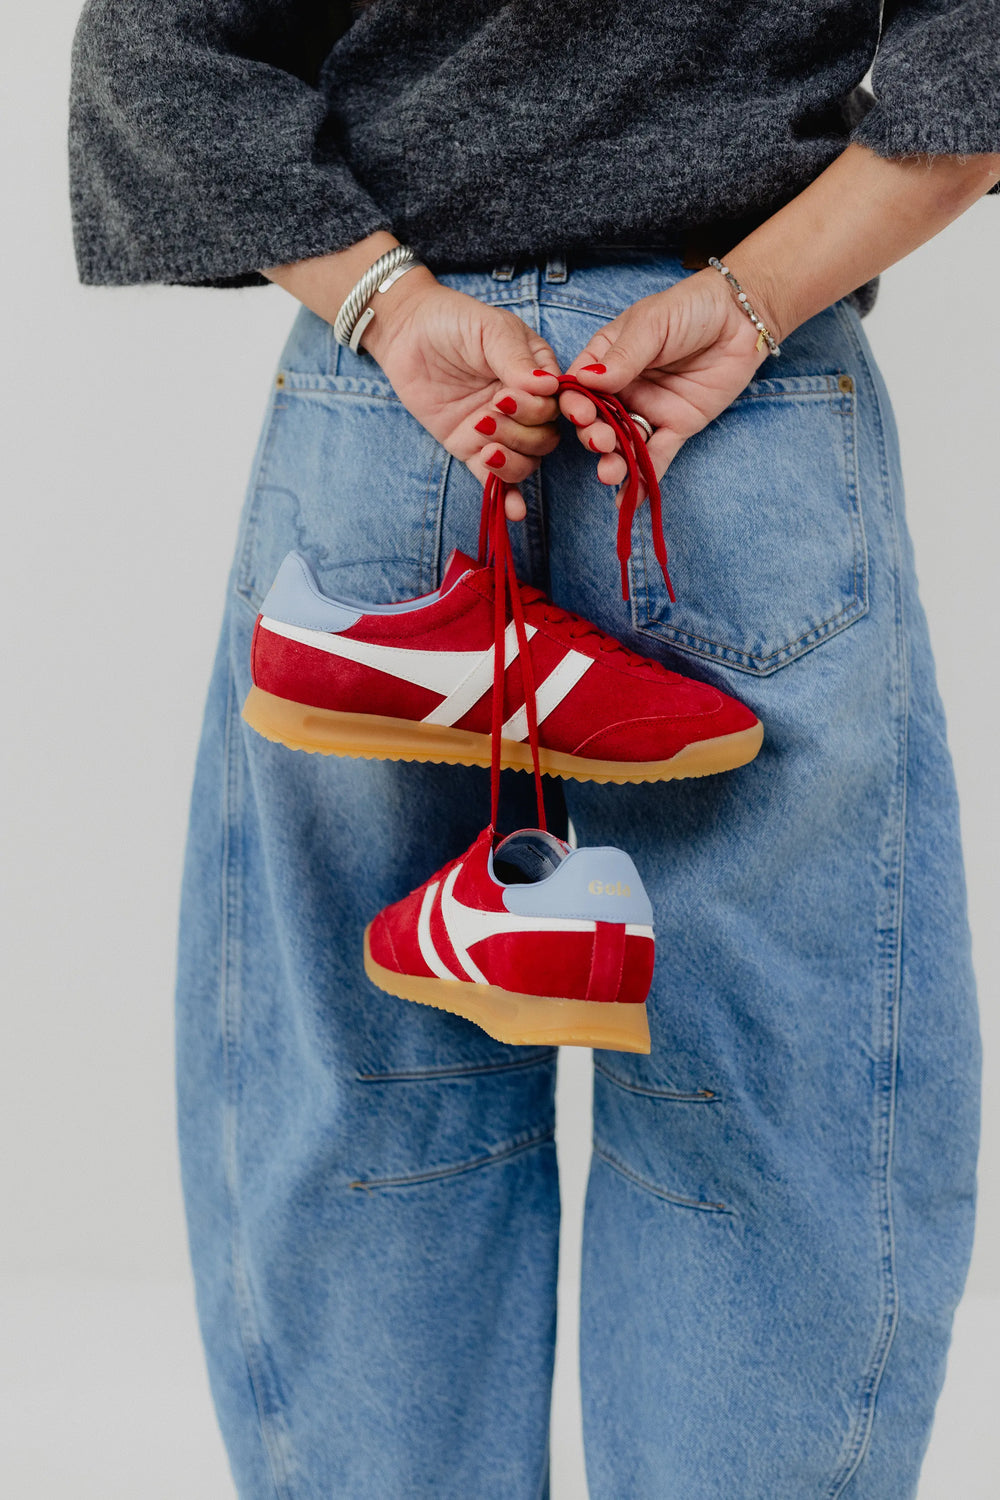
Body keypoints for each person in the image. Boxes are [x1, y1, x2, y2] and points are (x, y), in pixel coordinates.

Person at [69, 3, 998, 1496]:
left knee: (368, 1097)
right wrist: (752, 300)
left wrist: (384, 298)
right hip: (729, 433)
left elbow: (154, 59)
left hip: (397, 416)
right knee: (773, 1108)